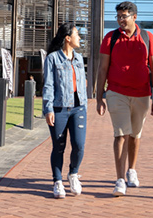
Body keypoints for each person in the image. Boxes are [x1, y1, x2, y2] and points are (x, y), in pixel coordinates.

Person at [96, 1, 153, 196]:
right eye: (118, 17)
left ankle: (131, 170)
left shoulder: (148, 38)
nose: (120, 20)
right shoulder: (110, 38)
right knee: (121, 134)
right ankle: (119, 179)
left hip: (142, 94)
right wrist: (99, 97)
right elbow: (102, 69)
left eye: (123, 16)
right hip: (116, 92)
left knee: (135, 135)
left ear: (134, 17)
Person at [42, 23, 87, 199]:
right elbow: (48, 85)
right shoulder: (53, 58)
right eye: (77, 34)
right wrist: (48, 109)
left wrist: (85, 106)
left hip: (78, 108)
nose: (79, 38)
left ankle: (73, 174)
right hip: (59, 108)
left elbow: (82, 83)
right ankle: (58, 181)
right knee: (59, 147)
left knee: (79, 145)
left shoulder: (79, 58)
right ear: (68, 38)